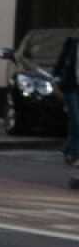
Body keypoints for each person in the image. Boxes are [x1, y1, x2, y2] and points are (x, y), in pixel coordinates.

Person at [53, 34, 79, 167]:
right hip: (71, 87)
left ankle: (68, 149)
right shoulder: (72, 44)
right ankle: (75, 156)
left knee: (76, 122)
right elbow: (61, 62)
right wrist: (56, 79)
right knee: (75, 120)